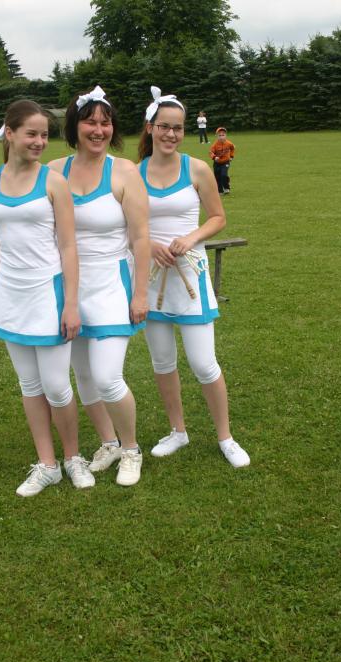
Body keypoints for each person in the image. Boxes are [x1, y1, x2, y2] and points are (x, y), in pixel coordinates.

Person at [0, 99, 94, 496]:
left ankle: (73, 457)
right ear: (9, 133)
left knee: (57, 387)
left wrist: (71, 304)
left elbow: (68, 247)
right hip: (10, 297)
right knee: (29, 385)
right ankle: (47, 465)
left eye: (44, 135)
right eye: (31, 134)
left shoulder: (53, 182)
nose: (39, 142)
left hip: (48, 294)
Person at [137, 86, 250, 468]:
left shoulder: (196, 169)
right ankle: (178, 431)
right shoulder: (134, 174)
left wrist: (190, 238)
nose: (171, 134)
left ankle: (225, 437)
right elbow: (126, 227)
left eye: (178, 128)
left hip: (191, 278)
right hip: (152, 280)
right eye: (164, 127)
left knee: (204, 363)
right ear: (150, 128)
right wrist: (151, 244)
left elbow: (218, 217)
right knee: (162, 361)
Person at [48, 86, 150, 487]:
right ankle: (108, 443)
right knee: (85, 377)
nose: (98, 130)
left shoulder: (124, 171)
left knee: (108, 377)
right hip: (67, 289)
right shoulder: (54, 170)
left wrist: (140, 294)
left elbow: (141, 237)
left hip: (111, 285)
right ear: (75, 126)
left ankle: (131, 449)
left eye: (105, 123)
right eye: (90, 122)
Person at [209, 126, 235, 194]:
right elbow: (211, 152)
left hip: (225, 162)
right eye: (219, 135)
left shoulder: (229, 143)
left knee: (224, 175)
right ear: (217, 136)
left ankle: (226, 188)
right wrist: (214, 157)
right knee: (217, 177)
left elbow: (232, 148)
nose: (221, 137)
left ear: (226, 135)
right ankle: (220, 190)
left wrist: (231, 156)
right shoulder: (215, 145)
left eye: (223, 135)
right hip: (217, 163)